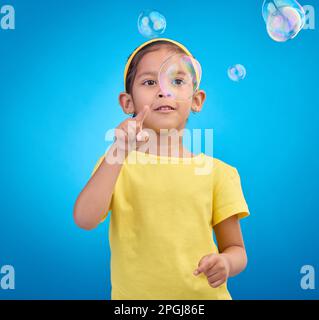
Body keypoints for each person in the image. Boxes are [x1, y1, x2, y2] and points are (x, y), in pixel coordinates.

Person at [73, 38, 250, 300]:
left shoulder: (218, 173)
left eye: (177, 81)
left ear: (196, 100)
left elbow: (236, 249)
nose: (163, 91)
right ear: (127, 103)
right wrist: (118, 151)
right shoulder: (115, 163)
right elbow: (84, 220)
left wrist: (226, 264)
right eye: (149, 82)